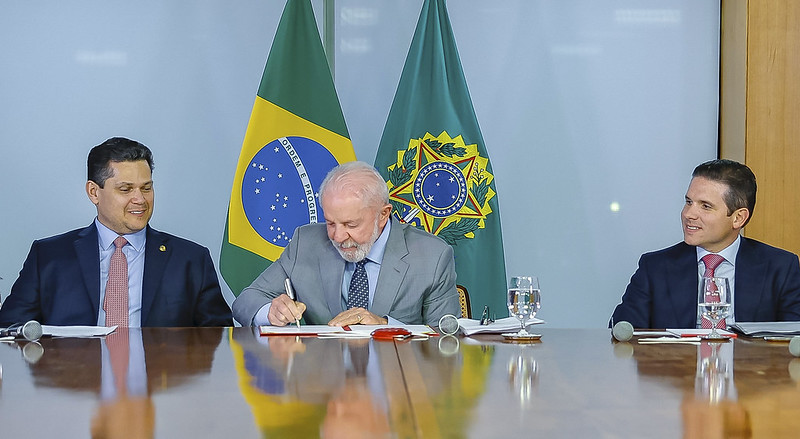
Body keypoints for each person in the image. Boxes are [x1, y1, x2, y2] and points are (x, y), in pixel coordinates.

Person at [0, 137, 232, 327]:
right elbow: (11, 328)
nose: (140, 200)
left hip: (162, 379)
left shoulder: (191, 260)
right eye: (126, 189)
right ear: (94, 192)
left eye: (147, 188)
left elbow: (219, 338)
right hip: (72, 378)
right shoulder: (49, 256)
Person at [232, 161, 460, 327]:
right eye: (330, 222)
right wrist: (271, 312)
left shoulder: (432, 255)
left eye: (351, 224)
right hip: (323, 385)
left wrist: (385, 326)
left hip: (396, 384)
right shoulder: (305, 242)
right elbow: (245, 302)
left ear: (383, 215)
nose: (338, 236)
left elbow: (447, 336)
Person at [611, 159, 800, 328]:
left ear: (738, 218)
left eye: (705, 206)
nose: (688, 214)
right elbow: (622, 331)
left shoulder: (780, 267)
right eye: (688, 202)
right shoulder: (655, 267)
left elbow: (793, 339)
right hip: (674, 366)